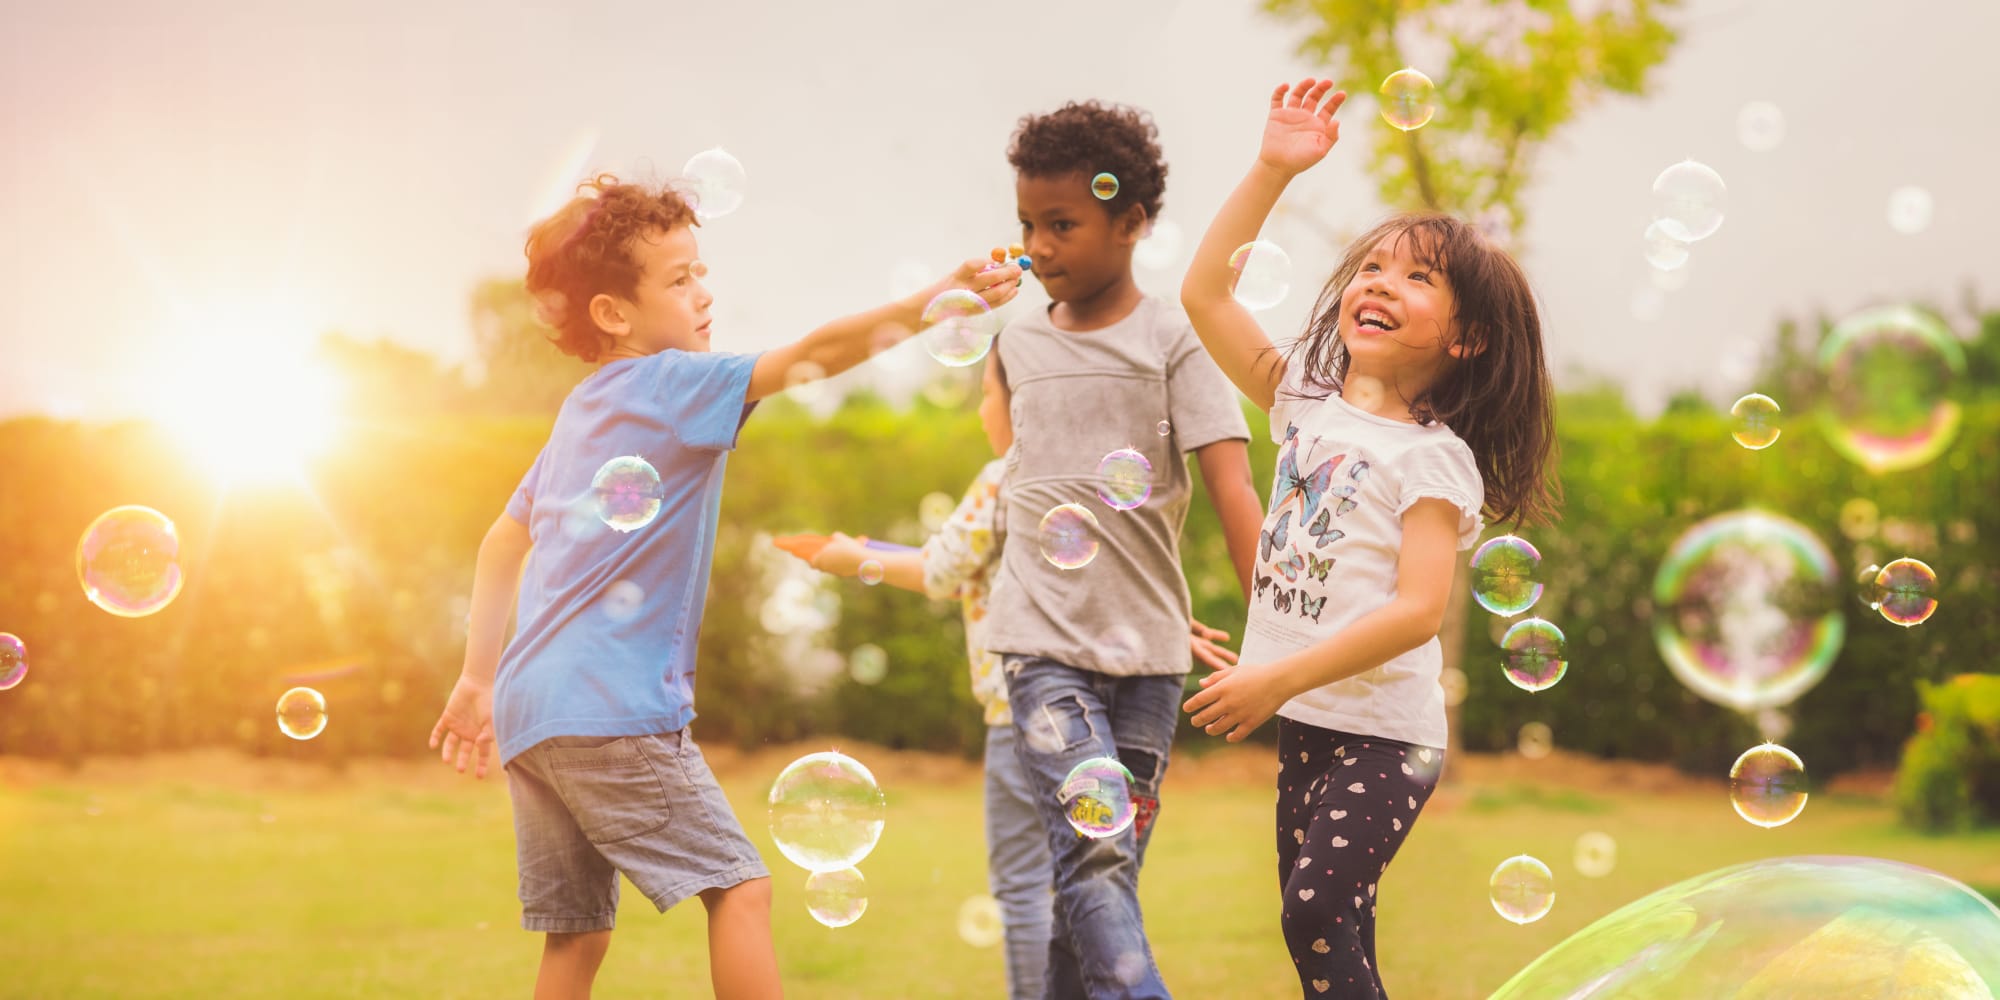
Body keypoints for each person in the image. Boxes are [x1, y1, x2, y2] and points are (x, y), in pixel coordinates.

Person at [426, 174, 1021, 1000]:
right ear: (612, 315)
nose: (703, 292)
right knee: (741, 888)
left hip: (534, 707)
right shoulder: (673, 384)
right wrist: (934, 298)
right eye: (678, 280)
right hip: (613, 705)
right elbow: (815, 354)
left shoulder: (582, 410)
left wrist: (478, 677)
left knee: (577, 936)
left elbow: (501, 541)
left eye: (700, 270)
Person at [1179, 79, 1560, 998]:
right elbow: (1203, 292)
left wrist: (1275, 676)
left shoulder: (1432, 462)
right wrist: (1273, 167)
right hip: (1312, 723)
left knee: (1313, 911)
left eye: (1417, 277)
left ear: (1466, 338)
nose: (1379, 283)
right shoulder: (1303, 405)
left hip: (1386, 737)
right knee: (1328, 936)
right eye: (1371, 268)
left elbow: (1418, 612)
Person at [985, 99, 1266, 999]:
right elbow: (1029, 486)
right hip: (1040, 651)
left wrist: (1281, 631)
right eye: (1027, 223)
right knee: (1096, 852)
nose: (1038, 245)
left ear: (1132, 221)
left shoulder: (1173, 340)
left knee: (1094, 872)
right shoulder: (1016, 340)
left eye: (1061, 224)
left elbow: (1231, 486)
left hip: (1148, 664)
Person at [773, 354, 1055, 1000]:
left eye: (986, 394)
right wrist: (867, 551)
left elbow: (939, 573)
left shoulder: (1000, 477)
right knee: (1079, 888)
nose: (982, 410)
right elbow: (957, 559)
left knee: (1021, 887)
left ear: (1020, 403)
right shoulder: (1064, 483)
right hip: (1082, 715)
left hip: (1016, 716)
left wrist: (850, 562)